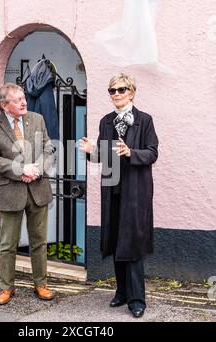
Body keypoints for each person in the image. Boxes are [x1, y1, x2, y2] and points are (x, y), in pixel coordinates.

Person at [80, 74, 158, 318]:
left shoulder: (144, 120)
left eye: (121, 90)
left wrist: (130, 152)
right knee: (115, 240)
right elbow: (102, 155)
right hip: (112, 189)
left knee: (132, 243)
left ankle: (137, 300)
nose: (116, 94)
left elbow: (152, 153)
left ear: (131, 92)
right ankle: (121, 292)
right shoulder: (106, 121)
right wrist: (92, 152)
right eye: (111, 90)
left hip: (135, 191)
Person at [0, 83, 55, 305]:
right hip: (9, 192)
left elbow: (49, 148)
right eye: (18, 99)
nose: (24, 102)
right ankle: (6, 288)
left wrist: (37, 169)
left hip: (38, 189)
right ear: (5, 105)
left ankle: (40, 284)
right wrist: (21, 170)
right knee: (8, 244)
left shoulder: (37, 119)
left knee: (39, 242)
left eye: (24, 97)